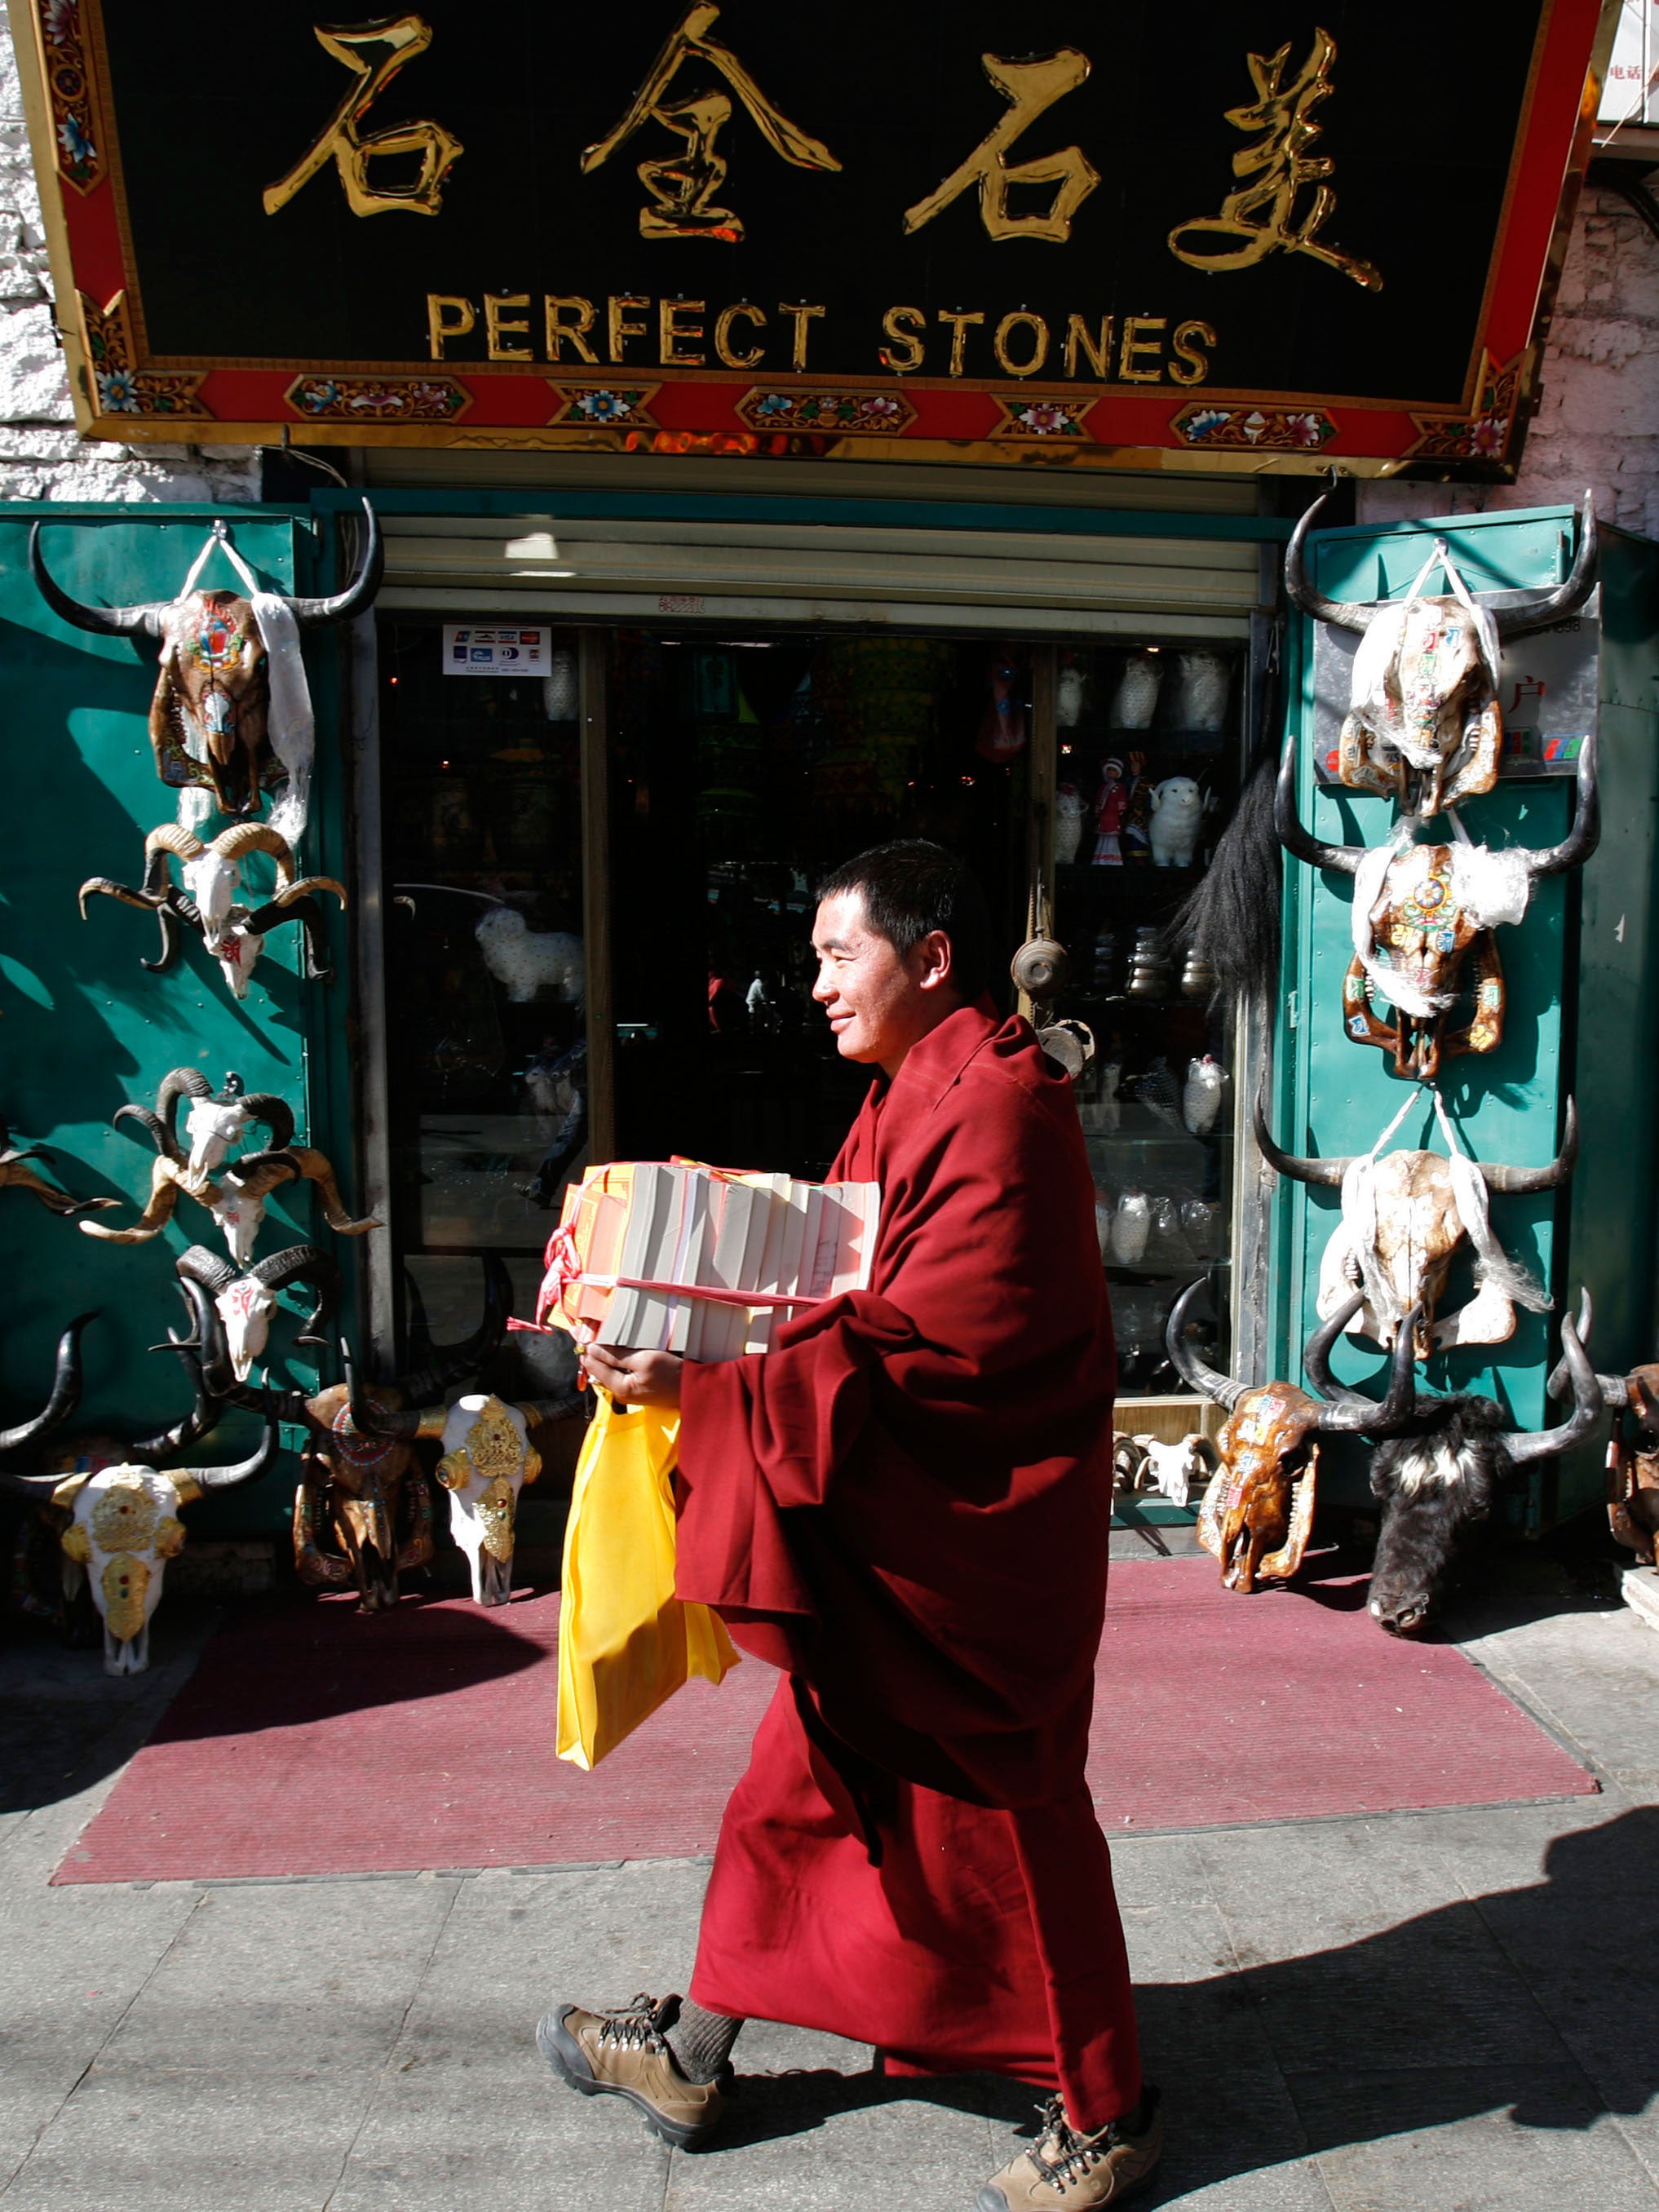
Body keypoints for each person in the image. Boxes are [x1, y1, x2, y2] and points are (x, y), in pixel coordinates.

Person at [538, 840, 1158, 2210]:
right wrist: (669, 1290)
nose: (814, 987)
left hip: (967, 1538)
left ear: (929, 959)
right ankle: (693, 2049)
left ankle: (1105, 2111)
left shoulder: (994, 1107)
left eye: (838, 956)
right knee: (791, 1798)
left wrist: (707, 1386)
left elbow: (934, 1349)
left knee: (1012, 1818)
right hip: (896, 1531)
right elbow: (826, 1280)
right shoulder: (914, 1090)